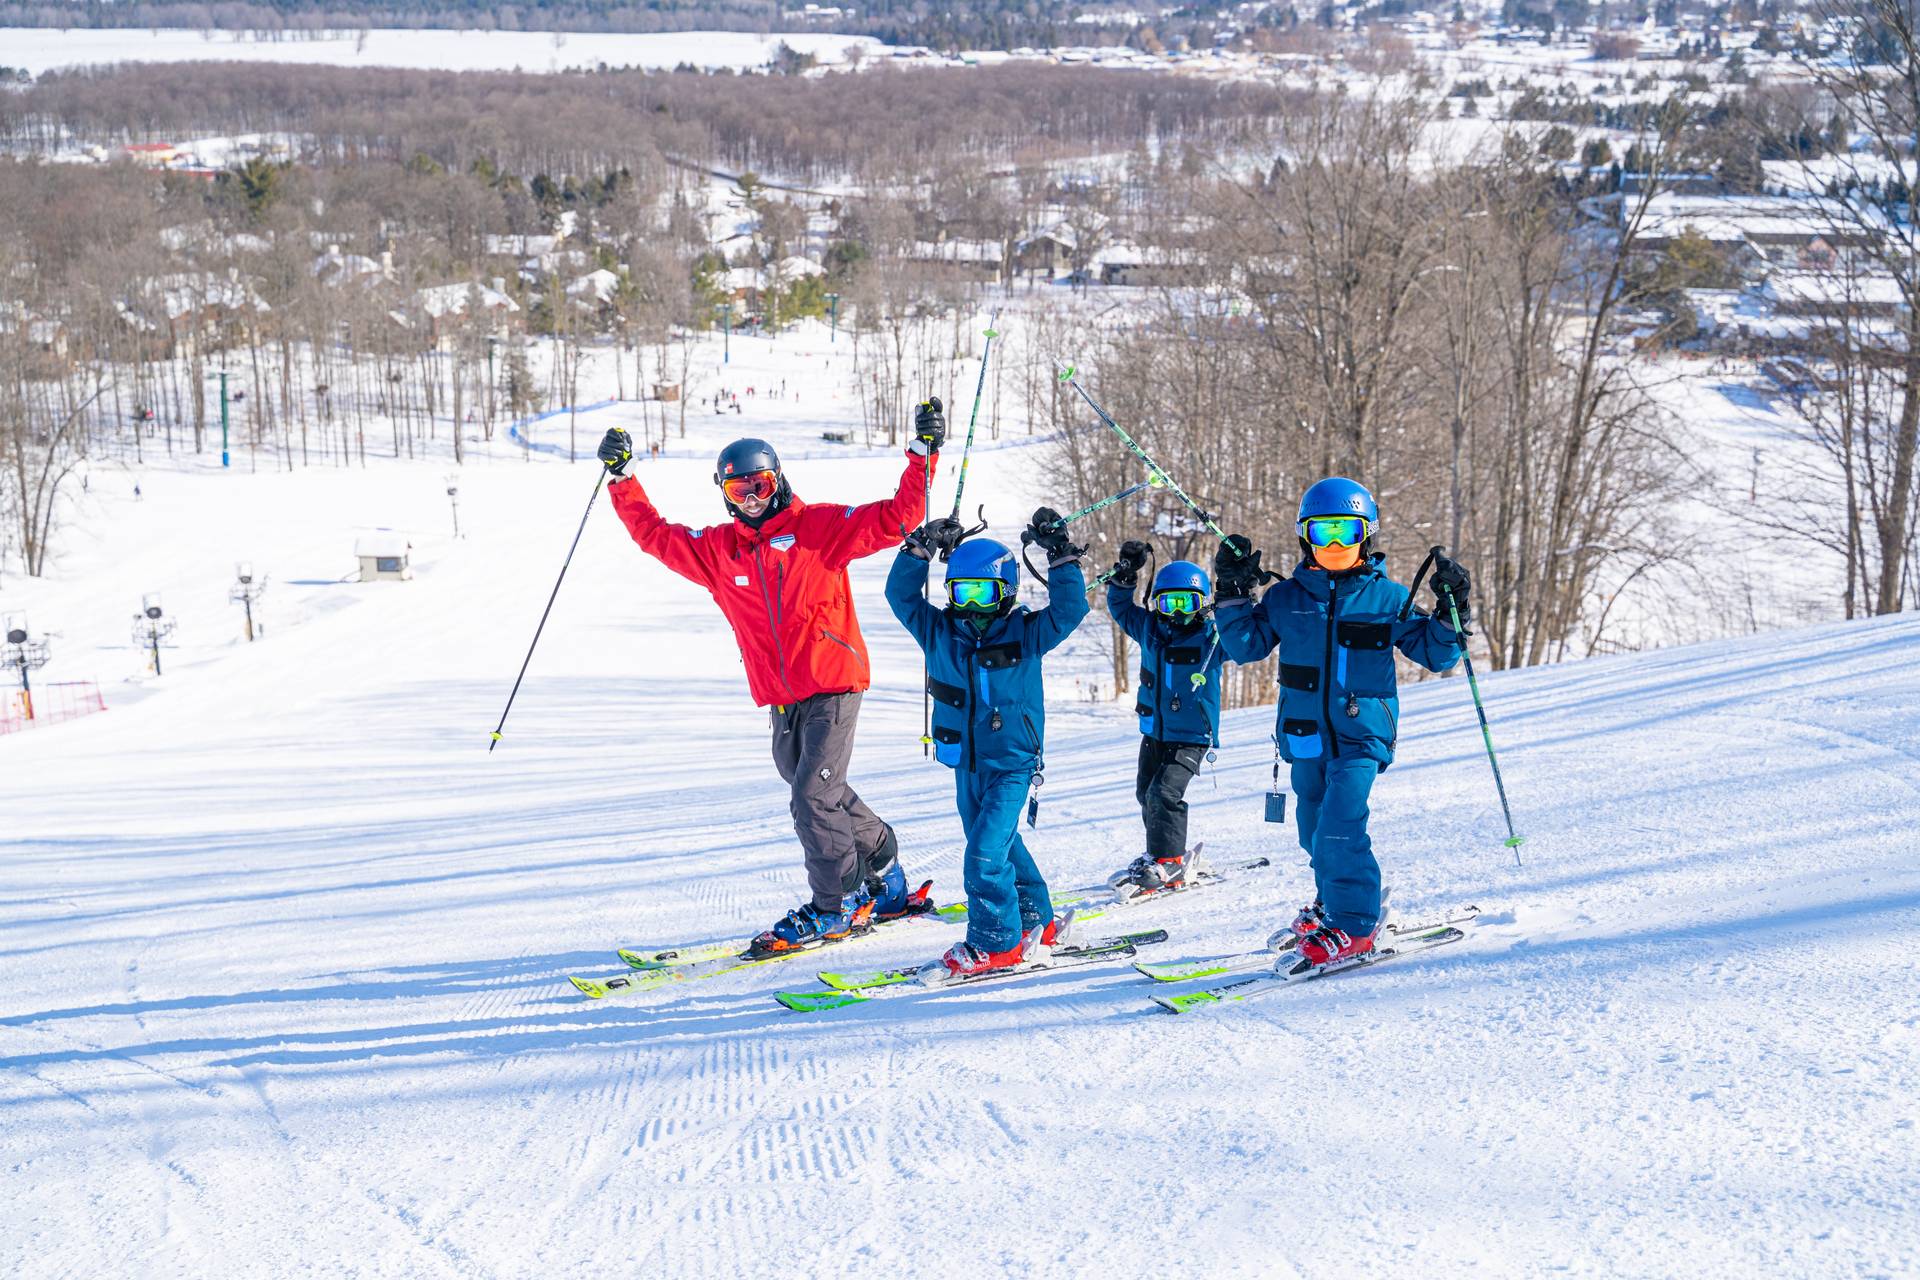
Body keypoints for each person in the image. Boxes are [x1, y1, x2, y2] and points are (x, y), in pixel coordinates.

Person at [595, 401, 946, 953]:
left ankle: (836, 907)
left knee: (812, 794)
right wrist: (623, 480)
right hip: (781, 697)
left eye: (760, 483)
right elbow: (654, 535)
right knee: (813, 785)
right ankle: (886, 870)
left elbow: (898, 517)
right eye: (739, 491)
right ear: (725, 494)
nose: (753, 497)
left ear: (778, 479)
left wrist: (923, 455)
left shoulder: (820, 528)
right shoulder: (718, 550)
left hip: (833, 680)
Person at [1213, 477, 1471, 969]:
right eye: (1323, 531)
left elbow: (1436, 654)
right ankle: (1331, 900)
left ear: (1366, 534)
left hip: (1362, 736)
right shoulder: (1286, 598)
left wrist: (1451, 608)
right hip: (1304, 736)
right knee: (1312, 829)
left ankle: (1355, 926)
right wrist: (1231, 592)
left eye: (1346, 532)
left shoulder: (1388, 598)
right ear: (1304, 535)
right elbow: (1244, 646)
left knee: (1339, 825)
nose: (1334, 544)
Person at [884, 508, 1090, 977]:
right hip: (966, 762)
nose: (972, 605)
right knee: (997, 843)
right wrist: (918, 550)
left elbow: (1070, 610)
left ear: (1007, 593)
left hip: (1013, 763)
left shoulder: (1028, 633)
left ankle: (996, 944)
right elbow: (900, 596)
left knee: (983, 853)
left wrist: (1060, 555)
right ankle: (1038, 921)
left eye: (983, 592)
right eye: (962, 592)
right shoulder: (938, 632)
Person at [1101, 542, 1226, 897]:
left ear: (1203, 603)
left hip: (1192, 735)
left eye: (1187, 602)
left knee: (1164, 792)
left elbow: (1243, 638)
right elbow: (1122, 609)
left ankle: (1170, 861)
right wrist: (1125, 577)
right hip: (1155, 730)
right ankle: (1158, 854)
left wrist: (1237, 595)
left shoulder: (1212, 638)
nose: (1178, 612)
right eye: (1169, 602)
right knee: (1146, 793)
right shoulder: (1151, 631)